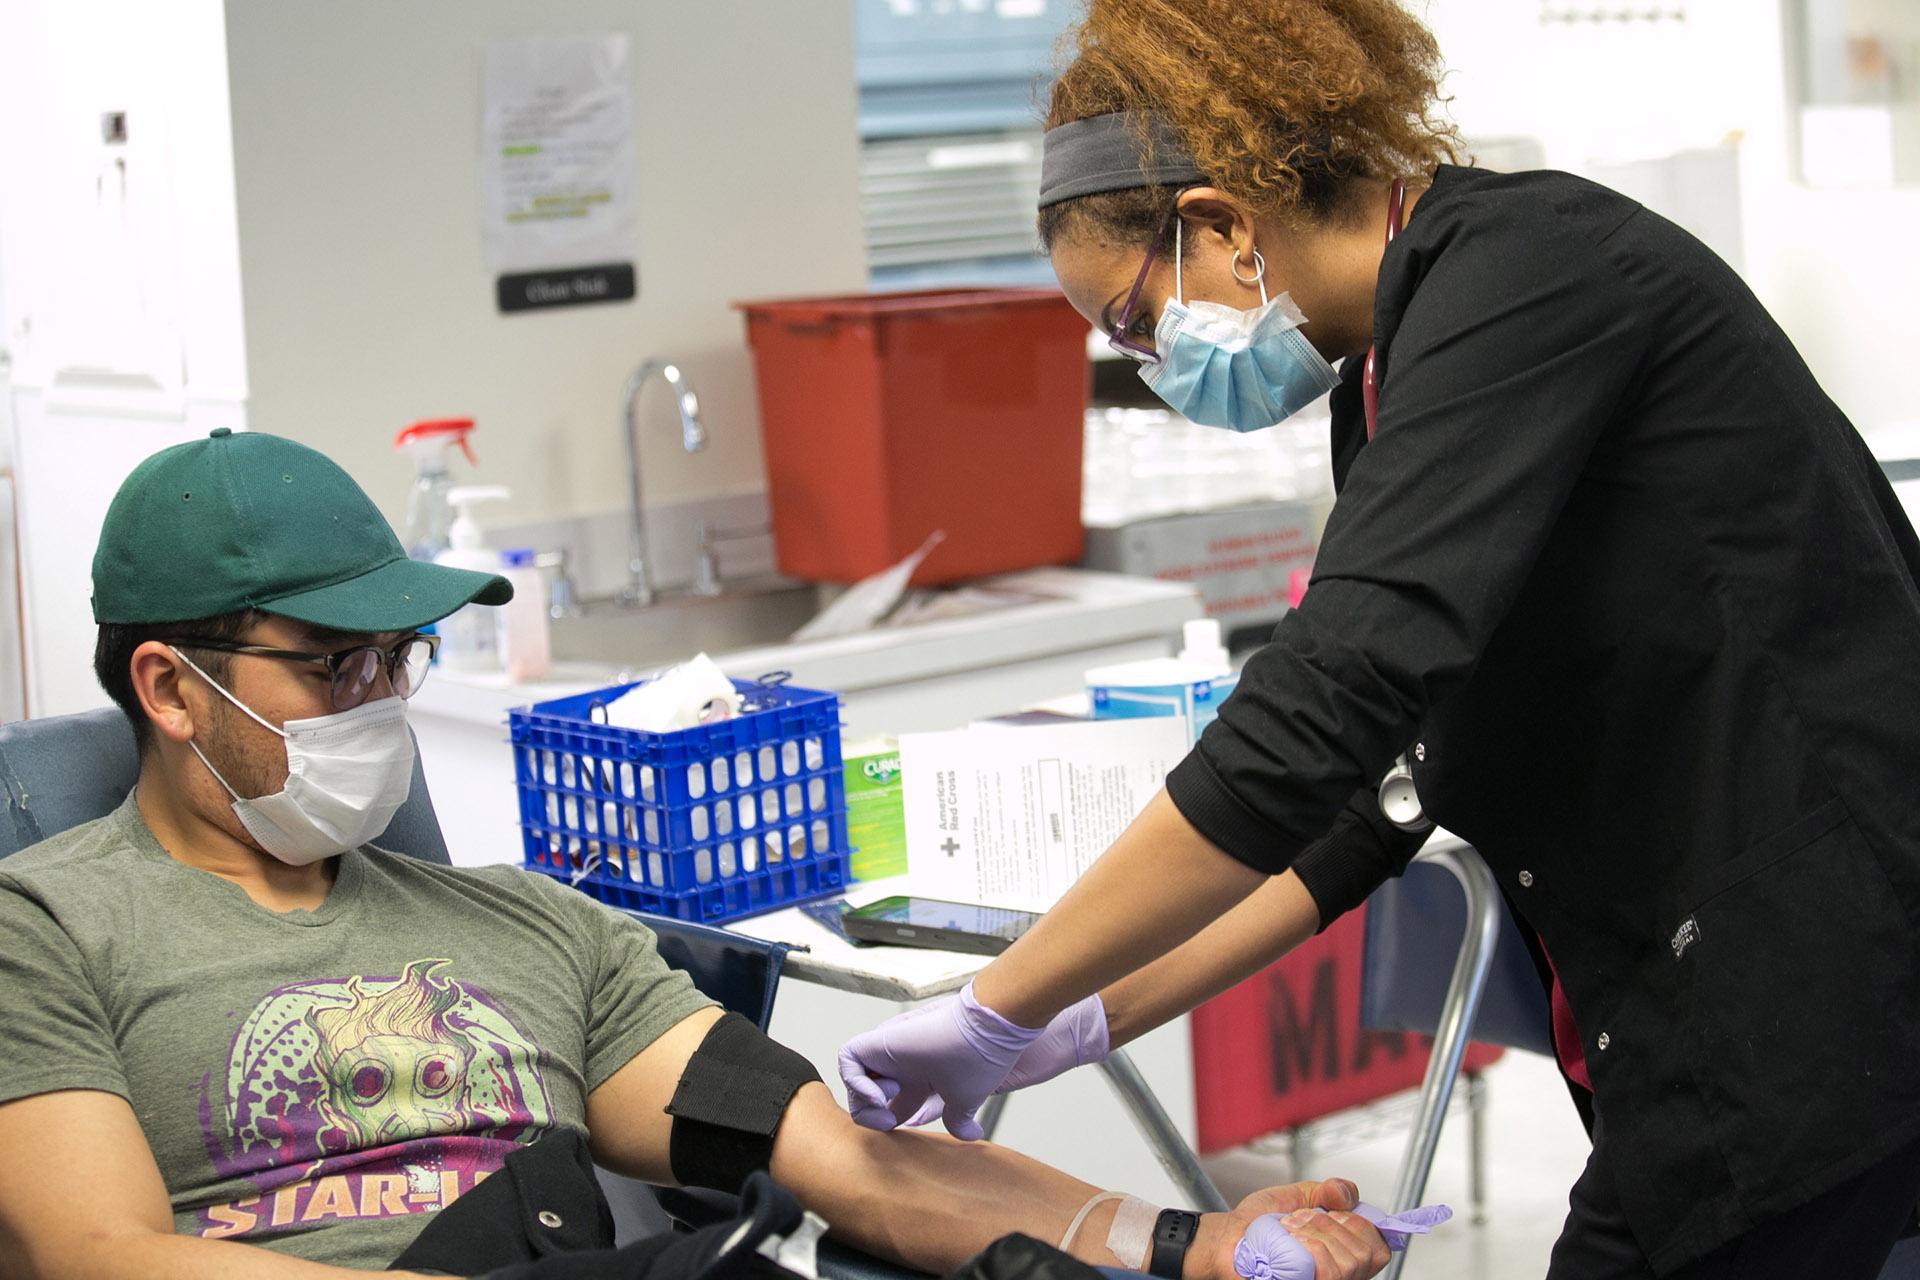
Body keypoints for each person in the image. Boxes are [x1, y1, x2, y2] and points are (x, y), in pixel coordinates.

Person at [837, 2, 1920, 1278]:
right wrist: (1081, 1014)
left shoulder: (1529, 278)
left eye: (1132, 324)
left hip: (1822, 963)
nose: (1143, 366)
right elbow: (1379, 794)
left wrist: (996, 998)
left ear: (1222, 224)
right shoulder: (1388, 375)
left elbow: (1320, 710)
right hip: (1715, 988)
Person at [0, 428, 1391, 1280]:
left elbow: (846, 1163)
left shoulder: (532, 928)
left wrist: (1182, 1242)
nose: (379, 700)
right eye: (328, 666)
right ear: (174, 690)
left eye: (395, 658)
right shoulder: (43, 929)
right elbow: (96, 1257)